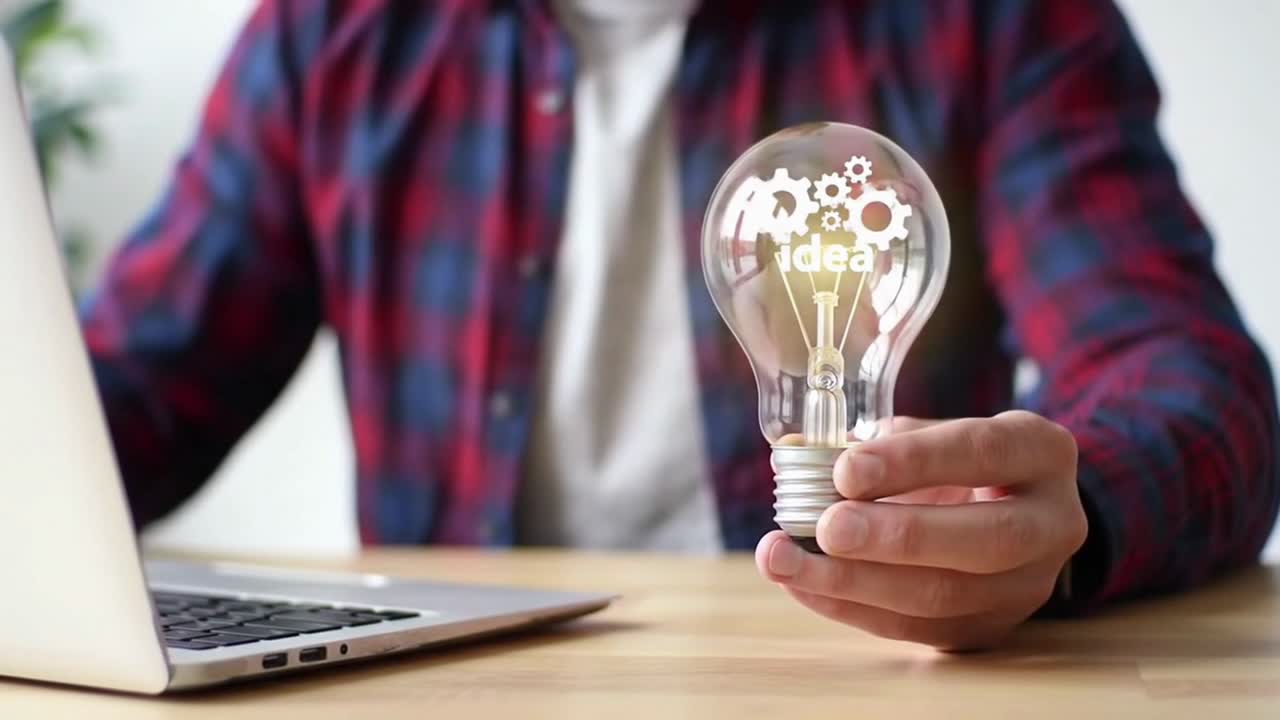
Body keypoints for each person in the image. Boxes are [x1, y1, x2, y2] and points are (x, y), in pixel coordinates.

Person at [80, 0, 1280, 650]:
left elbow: (1190, 384)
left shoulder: (985, 21)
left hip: (846, 677)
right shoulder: (330, 36)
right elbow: (127, 391)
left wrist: (1066, 520)